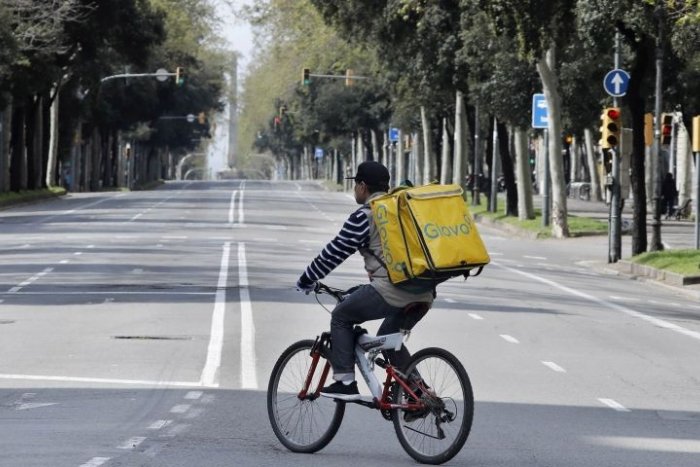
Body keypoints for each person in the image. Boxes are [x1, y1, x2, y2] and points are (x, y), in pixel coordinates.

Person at [296, 161, 434, 400]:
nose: (355, 191)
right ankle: (419, 394)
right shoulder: (403, 210)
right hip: (424, 291)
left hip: (392, 290)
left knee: (341, 315)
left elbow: (333, 253)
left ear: (362, 186)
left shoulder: (366, 215)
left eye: (356, 186)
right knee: (389, 337)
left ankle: (345, 381)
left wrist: (307, 278)